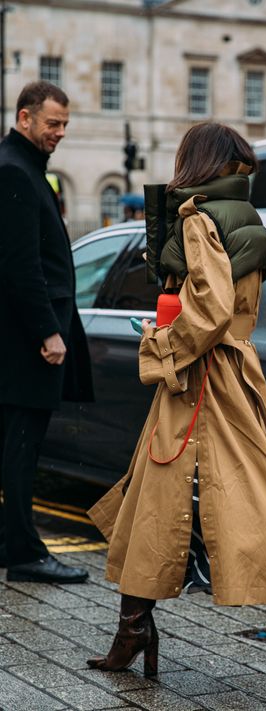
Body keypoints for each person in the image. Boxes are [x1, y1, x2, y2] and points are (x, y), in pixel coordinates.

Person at [86, 122, 266, 698]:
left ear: (194, 161)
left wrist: (158, 344)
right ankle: (134, 631)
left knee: (257, 515)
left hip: (204, 381)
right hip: (226, 375)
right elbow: (229, 309)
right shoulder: (243, 216)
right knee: (156, 501)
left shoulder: (197, 219)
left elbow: (207, 313)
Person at [0, 81, 94, 583]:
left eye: (64, 125)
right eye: (52, 123)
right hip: (26, 340)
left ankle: (7, 543)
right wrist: (47, 331)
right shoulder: (14, 171)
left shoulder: (25, 169)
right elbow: (19, 265)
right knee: (22, 446)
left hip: (22, 335)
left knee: (13, 444)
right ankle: (25, 553)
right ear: (25, 119)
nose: (59, 132)